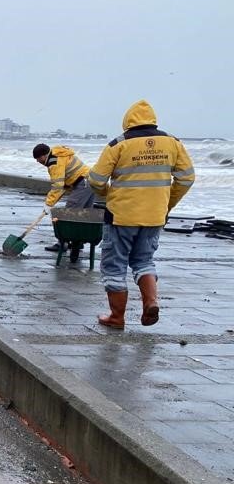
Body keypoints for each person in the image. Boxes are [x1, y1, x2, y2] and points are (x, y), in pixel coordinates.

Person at [88, 99, 195, 329]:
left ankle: (116, 318)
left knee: (114, 266)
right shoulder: (173, 143)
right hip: (154, 216)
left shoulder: (119, 144)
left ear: (127, 122)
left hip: (121, 217)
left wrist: (107, 195)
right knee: (144, 261)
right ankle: (151, 302)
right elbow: (187, 178)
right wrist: (167, 204)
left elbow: (95, 180)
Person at [32, 143, 96, 252]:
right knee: (81, 216)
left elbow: (57, 186)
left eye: (38, 158)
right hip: (90, 182)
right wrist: (51, 202)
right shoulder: (59, 155)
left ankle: (62, 243)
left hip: (83, 184)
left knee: (67, 215)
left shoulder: (54, 163)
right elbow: (63, 186)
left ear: (43, 156)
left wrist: (48, 203)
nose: (38, 161)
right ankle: (77, 243)